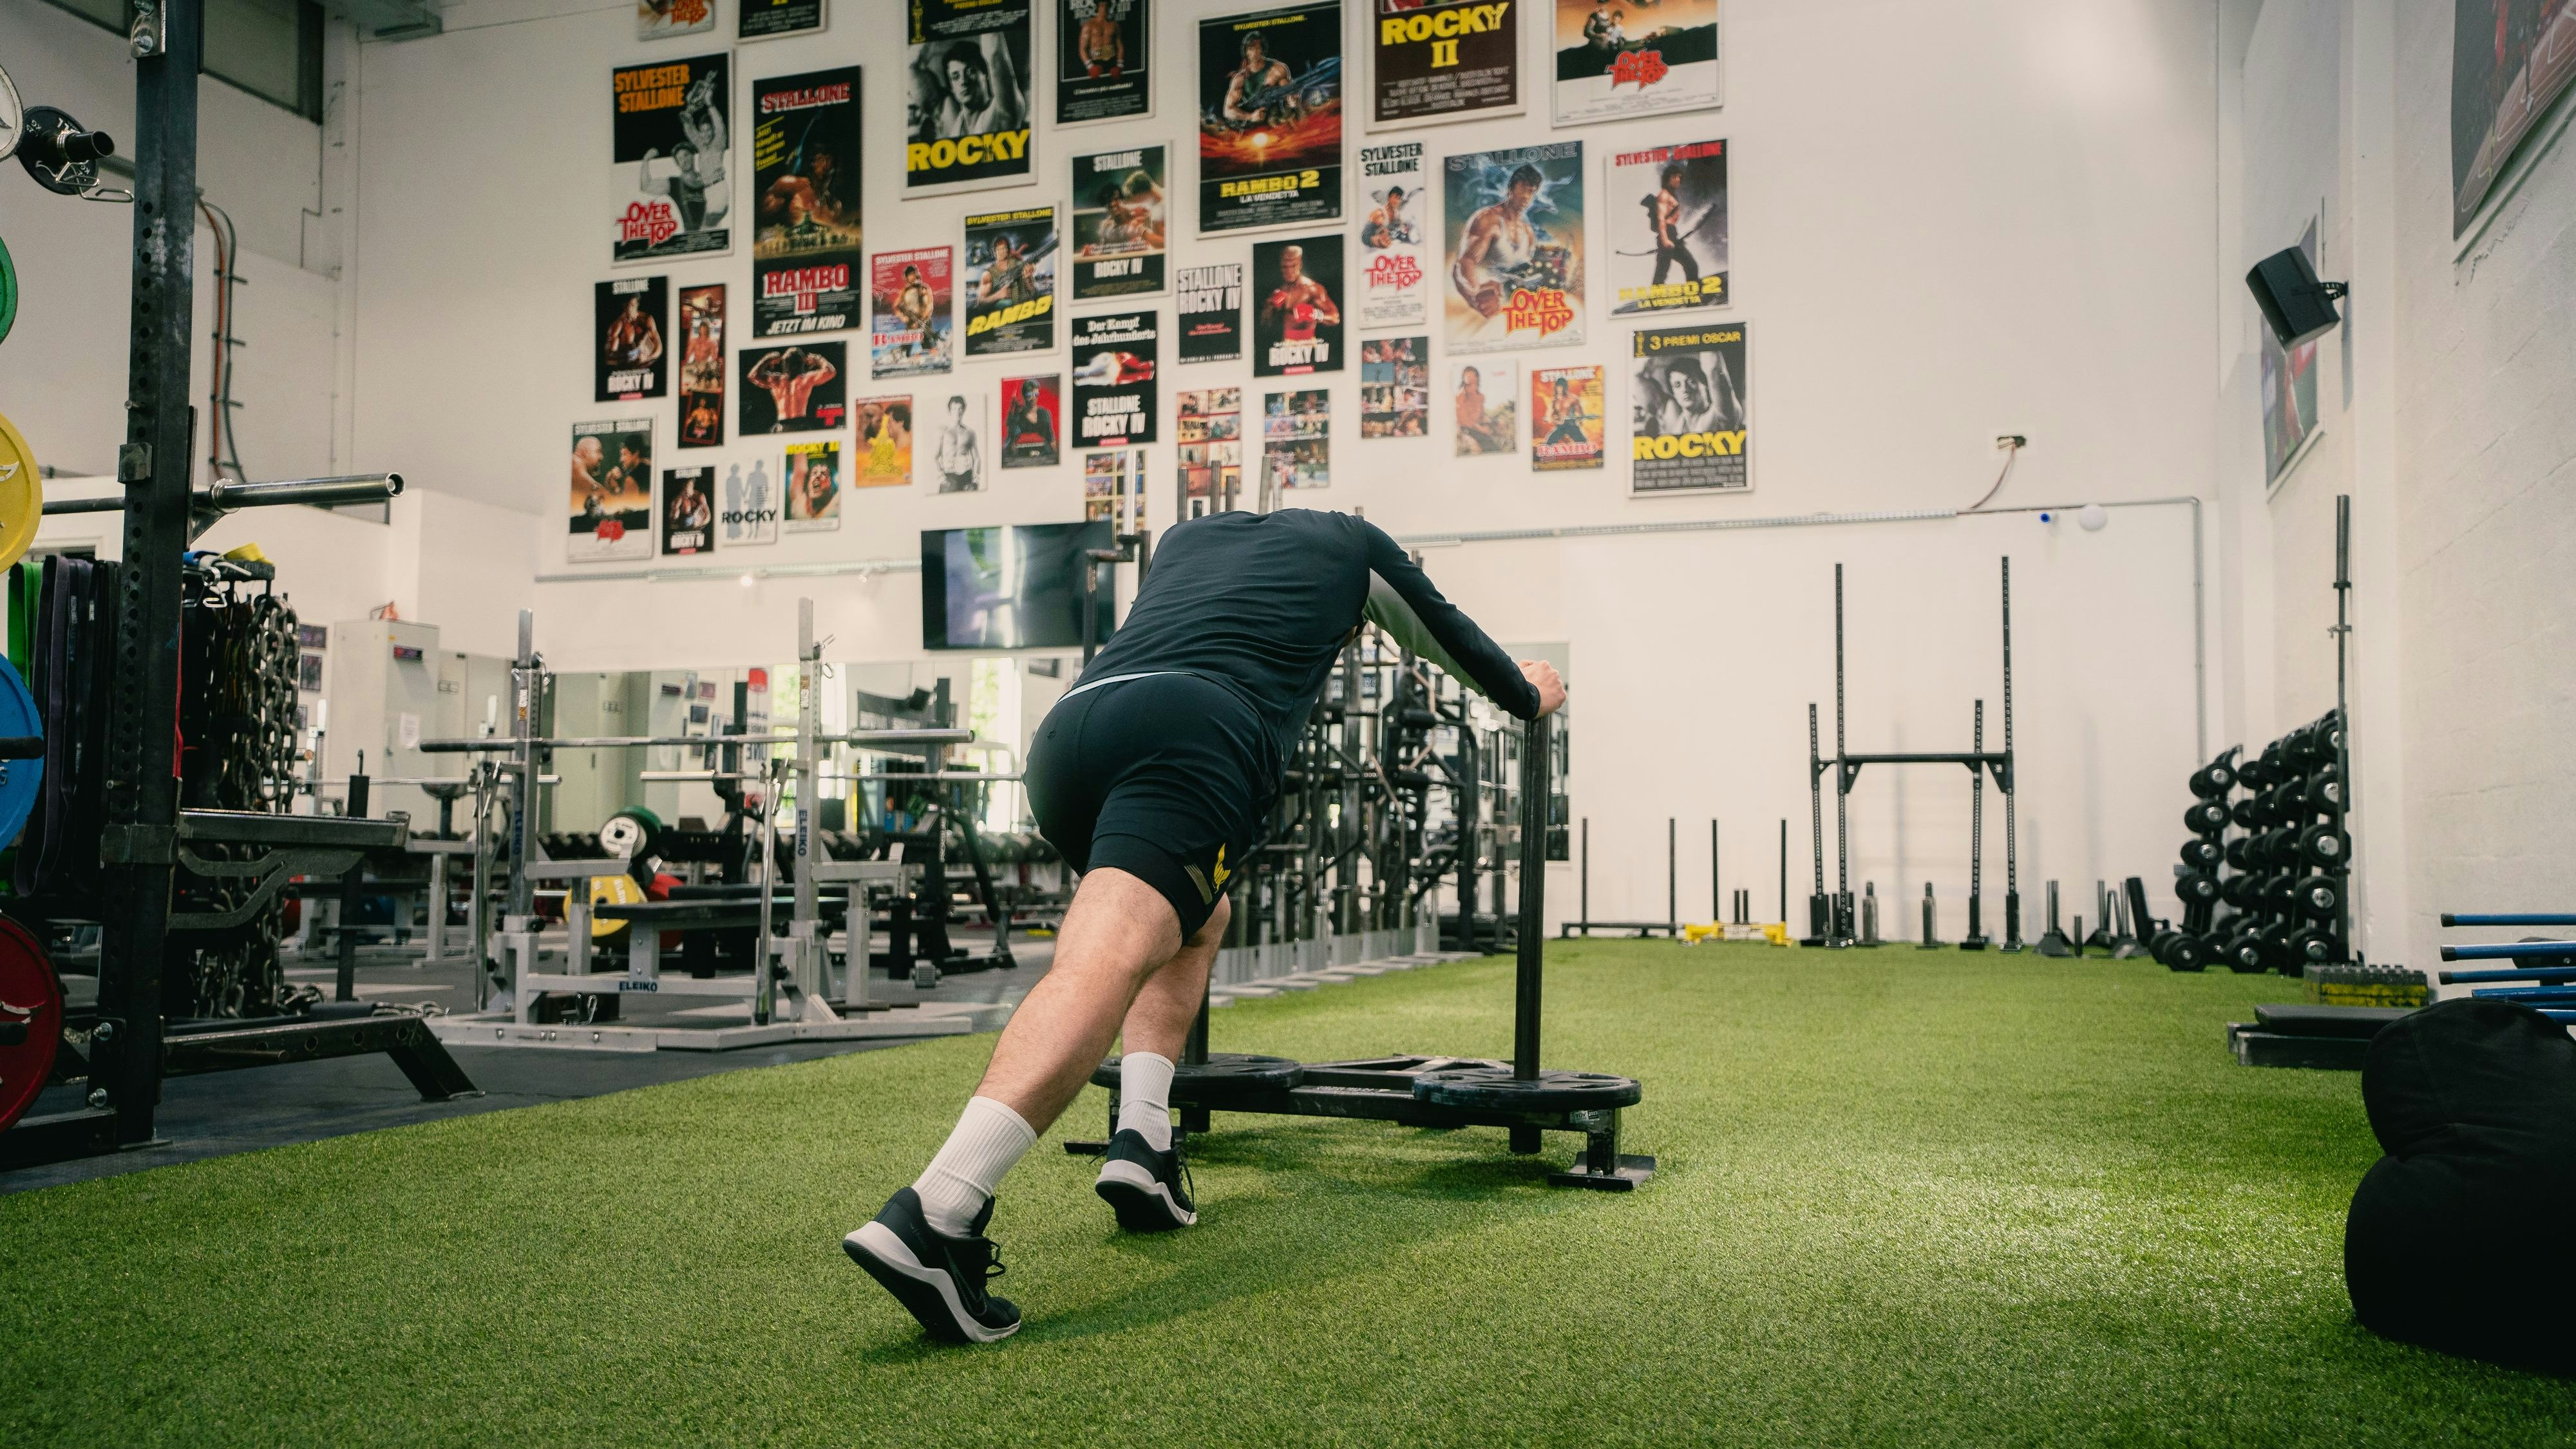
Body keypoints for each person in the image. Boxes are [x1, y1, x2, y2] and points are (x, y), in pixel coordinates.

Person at [843, 509, 1564, 1343]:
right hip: (1192, 733)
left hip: (1071, 737)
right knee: (1107, 957)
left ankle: (1143, 1142)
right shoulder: (1353, 544)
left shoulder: (1186, 540)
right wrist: (1527, 692)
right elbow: (1449, 636)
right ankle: (938, 1211)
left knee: (1196, 917)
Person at [1452, 164, 1545, 321]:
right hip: (1482, 312)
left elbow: (1527, 272)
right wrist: (1477, 295)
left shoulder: (1528, 233)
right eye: (1522, 189)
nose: (1526, 197)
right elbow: (1465, 263)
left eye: (1530, 192)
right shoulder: (1488, 220)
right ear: (1510, 189)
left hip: (1513, 312)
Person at [1259, 244, 1340, 345]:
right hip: (1286, 344)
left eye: (1293, 266)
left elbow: (1335, 318)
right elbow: (1264, 324)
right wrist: (1269, 308)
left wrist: (1313, 314)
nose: (1289, 271)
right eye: (1285, 267)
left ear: (1300, 264)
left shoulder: (1312, 288)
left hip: (1307, 344)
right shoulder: (1279, 290)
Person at [747, 348, 837, 430]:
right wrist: (818, 359)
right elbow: (831, 371)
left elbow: (753, 376)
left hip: (784, 426)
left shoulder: (776, 381)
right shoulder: (805, 380)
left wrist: (766, 360)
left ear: (785, 363)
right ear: (801, 363)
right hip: (798, 425)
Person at [1220, 31, 1296, 128]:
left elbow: (1290, 94)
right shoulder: (1240, 78)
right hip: (1252, 121)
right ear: (1246, 52)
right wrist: (1251, 116)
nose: (1255, 53)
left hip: (1276, 117)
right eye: (1251, 49)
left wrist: (1292, 102)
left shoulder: (1278, 70)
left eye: (1258, 48)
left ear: (1262, 50)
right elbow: (1227, 111)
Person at [1648, 162, 1701, 292]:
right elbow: (1661, 219)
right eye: (1676, 177)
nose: (1678, 180)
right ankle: (1656, 301)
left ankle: (1692, 295)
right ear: (1669, 178)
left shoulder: (1671, 195)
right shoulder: (1664, 195)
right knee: (1661, 273)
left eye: (1679, 177)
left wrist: (1673, 238)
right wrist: (1665, 240)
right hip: (1666, 235)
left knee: (1691, 266)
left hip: (1672, 234)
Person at [934, 395, 983, 492]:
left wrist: (976, 478)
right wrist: (941, 478)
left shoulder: (970, 433)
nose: (958, 412)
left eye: (960, 408)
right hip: (949, 476)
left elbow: (977, 457)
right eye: (954, 409)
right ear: (950, 411)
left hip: (967, 476)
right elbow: (934, 457)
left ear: (963, 410)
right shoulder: (943, 431)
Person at [1078, 3, 1124, 76]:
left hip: (1112, 63)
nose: (1104, 9)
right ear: (1098, 7)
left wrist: (1119, 66)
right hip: (1095, 63)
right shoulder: (1088, 25)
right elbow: (1082, 49)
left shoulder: (1115, 25)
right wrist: (1090, 67)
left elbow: (1120, 47)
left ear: (1109, 8)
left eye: (1106, 6)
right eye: (1102, 6)